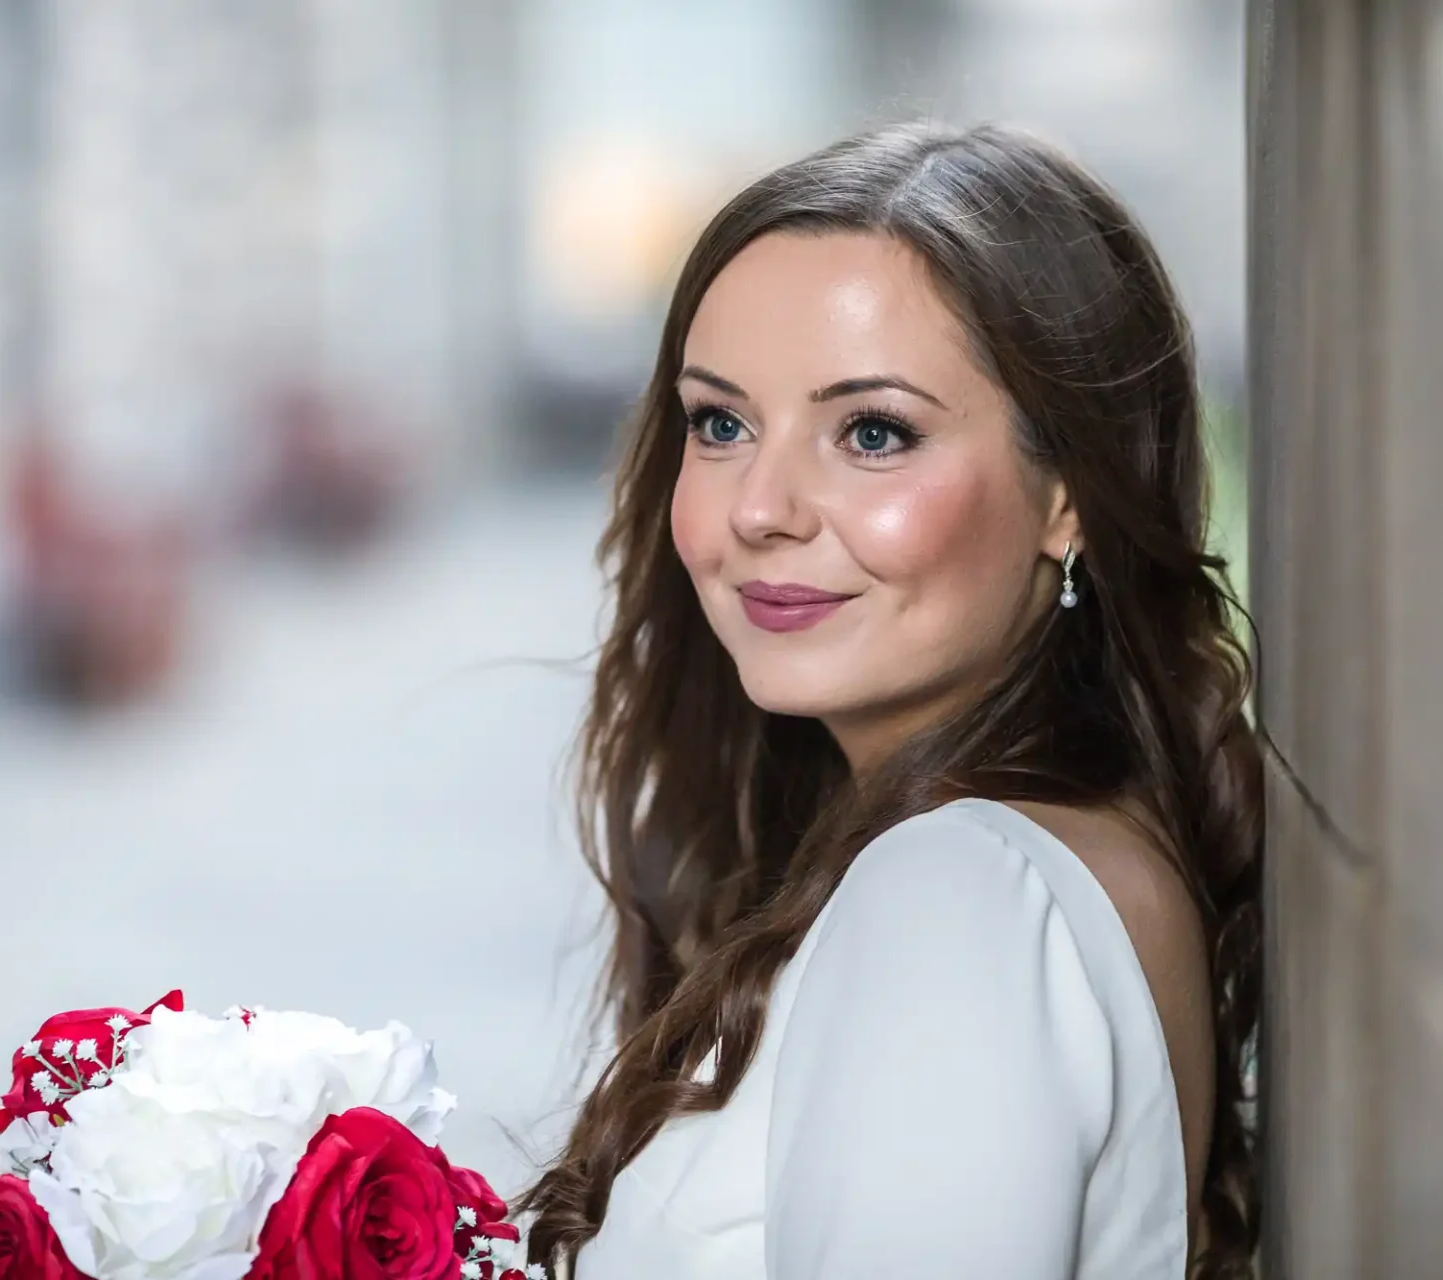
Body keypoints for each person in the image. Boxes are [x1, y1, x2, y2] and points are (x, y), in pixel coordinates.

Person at [519, 122, 1262, 1279]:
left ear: (1070, 493)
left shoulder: (958, 896)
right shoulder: (1053, 838)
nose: (761, 506)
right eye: (720, 422)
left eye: (873, 433)